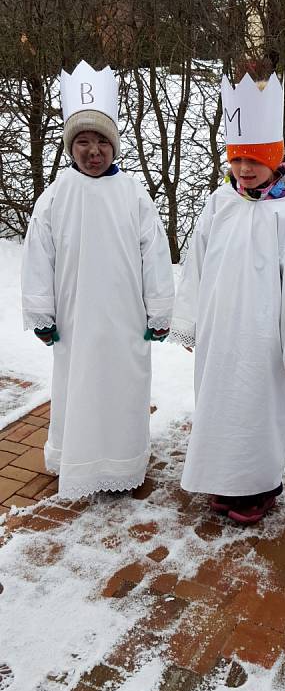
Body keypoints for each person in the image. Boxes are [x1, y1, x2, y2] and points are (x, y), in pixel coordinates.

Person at [170, 73, 285, 524]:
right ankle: (222, 478)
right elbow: (196, 263)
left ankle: (257, 486)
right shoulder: (220, 203)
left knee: (257, 407)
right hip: (219, 331)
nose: (245, 169)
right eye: (238, 160)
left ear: (275, 158)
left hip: (263, 337)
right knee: (219, 403)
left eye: (255, 160)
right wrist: (191, 320)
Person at [21, 61, 174, 499]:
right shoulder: (55, 198)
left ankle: (122, 461)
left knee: (123, 388)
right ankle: (77, 456)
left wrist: (159, 311)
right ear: (71, 148)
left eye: (101, 141)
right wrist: (41, 314)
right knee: (78, 386)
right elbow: (38, 257)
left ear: (114, 145)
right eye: (83, 142)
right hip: (75, 320)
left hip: (125, 320)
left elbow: (155, 255)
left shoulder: (134, 196)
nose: (93, 151)